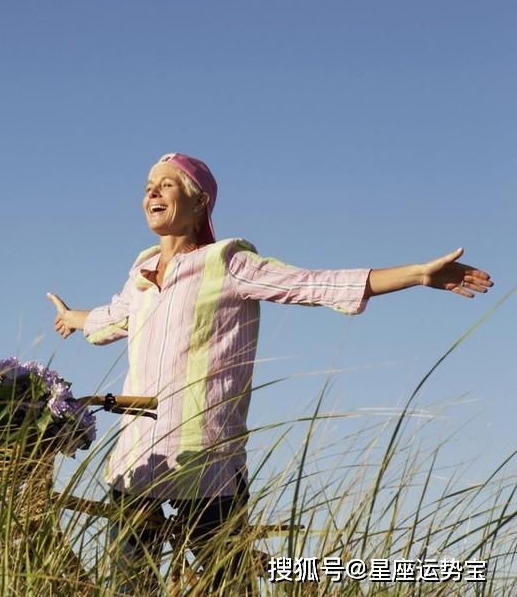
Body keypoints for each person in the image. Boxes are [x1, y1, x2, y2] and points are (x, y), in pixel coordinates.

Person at [46, 152, 493, 592]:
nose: (151, 193)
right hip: (138, 461)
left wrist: (416, 274)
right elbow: (110, 318)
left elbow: (312, 283)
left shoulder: (227, 263)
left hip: (207, 461)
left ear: (199, 201)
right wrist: (72, 317)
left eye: (165, 184)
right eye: (147, 187)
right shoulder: (141, 277)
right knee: (129, 586)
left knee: (227, 584)